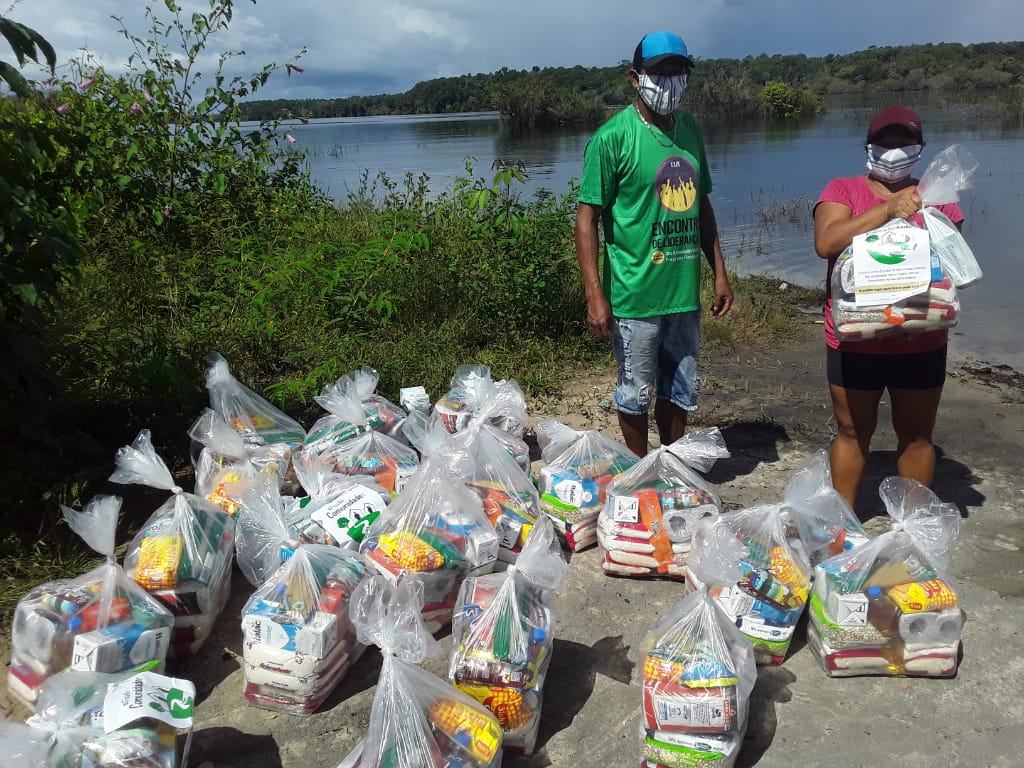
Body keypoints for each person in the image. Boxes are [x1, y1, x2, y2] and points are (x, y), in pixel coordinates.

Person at [575, 30, 733, 457]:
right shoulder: (612, 139)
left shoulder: (690, 130)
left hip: (682, 292)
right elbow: (586, 219)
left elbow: (701, 205)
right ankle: (640, 470)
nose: (669, 82)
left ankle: (670, 464)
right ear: (634, 77)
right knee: (635, 393)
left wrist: (719, 272)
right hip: (634, 295)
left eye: (678, 72)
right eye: (659, 73)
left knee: (679, 389)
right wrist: (595, 294)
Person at [813, 105, 965, 508]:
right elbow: (826, 243)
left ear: (920, 149)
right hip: (853, 337)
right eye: (885, 142)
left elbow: (951, 263)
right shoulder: (842, 190)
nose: (894, 151)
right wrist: (886, 211)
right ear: (868, 146)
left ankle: (913, 530)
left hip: (921, 338)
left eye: (905, 143)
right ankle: (840, 526)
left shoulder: (938, 199)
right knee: (851, 432)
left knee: (917, 435)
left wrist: (921, 206)